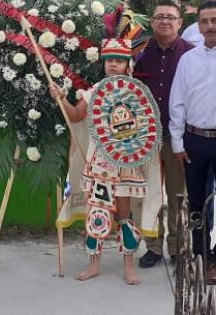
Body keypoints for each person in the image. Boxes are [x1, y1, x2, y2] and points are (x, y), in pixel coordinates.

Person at [49, 37, 159, 285]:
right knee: (96, 212)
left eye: (118, 61)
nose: (113, 65)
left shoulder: (136, 92)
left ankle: (129, 266)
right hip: (99, 165)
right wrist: (62, 98)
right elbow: (76, 116)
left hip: (125, 164)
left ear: (127, 64)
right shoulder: (95, 90)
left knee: (124, 215)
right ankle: (94, 264)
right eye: (109, 60)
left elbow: (145, 131)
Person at [168, 0, 216, 285]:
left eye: (215, 20)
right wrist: (177, 143)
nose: (210, 26)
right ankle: (198, 254)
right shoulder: (188, 59)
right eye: (205, 21)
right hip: (194, 141)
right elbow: (178, 102)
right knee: (196, 202)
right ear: (198, 26)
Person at [134, 0, 194, 268]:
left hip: (177, 136)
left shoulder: (191, 55)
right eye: (159, 17)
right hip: (146, 136)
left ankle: (178, 246)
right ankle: (153, 246)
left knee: (178, 194)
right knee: (149, 194)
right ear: (151, 21)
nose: (165, 21)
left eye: (171, 17)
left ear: (180, 23)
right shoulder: (140, 54)